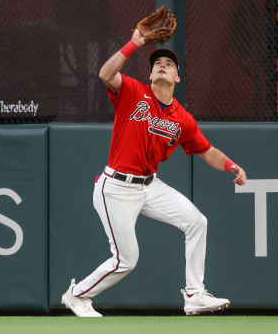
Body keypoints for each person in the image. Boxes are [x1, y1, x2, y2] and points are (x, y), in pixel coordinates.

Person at [61, 28, 248, 317]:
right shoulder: (133, 92)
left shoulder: (182, 118)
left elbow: (207, 151)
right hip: (115, 188)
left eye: (169, 64)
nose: (162, 65)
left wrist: (231, 165)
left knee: (197, 221)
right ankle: (77, 294)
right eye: (157, 63)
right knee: (127, 259)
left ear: (177, 78)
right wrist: (135, 42)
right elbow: (105, 74)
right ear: (150, 75)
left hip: (149, 186)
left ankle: (194, 295)